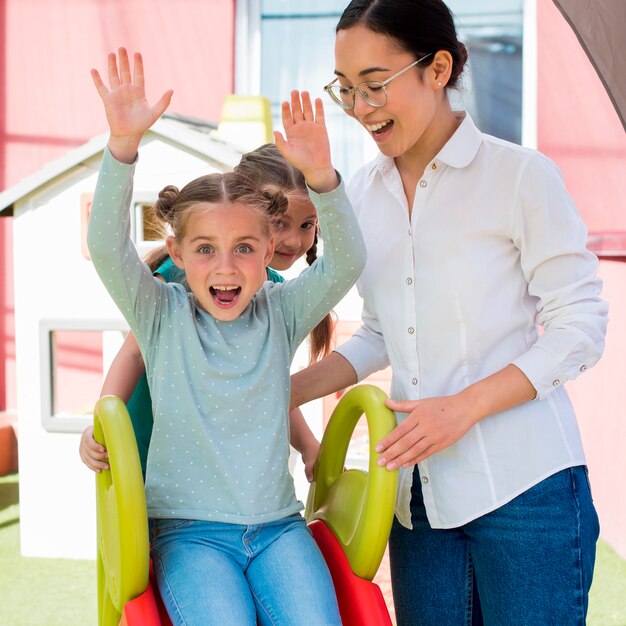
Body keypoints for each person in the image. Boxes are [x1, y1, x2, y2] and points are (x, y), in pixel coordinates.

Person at [289, 1, 609, 624]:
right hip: (418, 499)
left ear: (438, 68)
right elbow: (382, 332)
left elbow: (580, 328)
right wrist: (280, 392)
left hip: (529, 491)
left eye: (375, 85)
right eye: (346, 89)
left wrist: (462, 409)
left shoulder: (520, 178)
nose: (360, 108)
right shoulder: (359, 194)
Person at [87, 47, 365, 625]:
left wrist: (322, 179)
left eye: (244, 248)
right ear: (181, 257)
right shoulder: (161, 313)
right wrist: (122, 148)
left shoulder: (282, 312)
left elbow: (346, 262)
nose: (226, 267)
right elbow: (105, 250)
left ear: (269, 251)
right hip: (190, 533)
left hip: (278, 529)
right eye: (206, 250)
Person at [79, 143, 326, 481]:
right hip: (149, 438)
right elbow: (134, 354)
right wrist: (104, 420)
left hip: (206, 459)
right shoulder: (182, 279)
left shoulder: (275, 293)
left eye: (306, 225)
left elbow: (268, 385)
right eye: (280, 222)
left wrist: (308, 443)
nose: (294, 241)